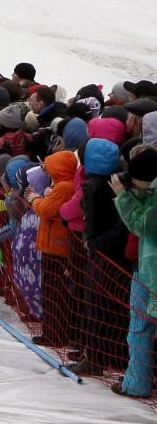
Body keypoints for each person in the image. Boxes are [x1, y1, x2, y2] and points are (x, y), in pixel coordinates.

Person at [113, 147, 157, 397]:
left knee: (140, 328)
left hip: (150, 272)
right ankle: (136, 381)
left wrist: (124, 196)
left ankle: (136, 383)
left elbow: (142, 224)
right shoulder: (152, 191)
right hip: (147, 268)